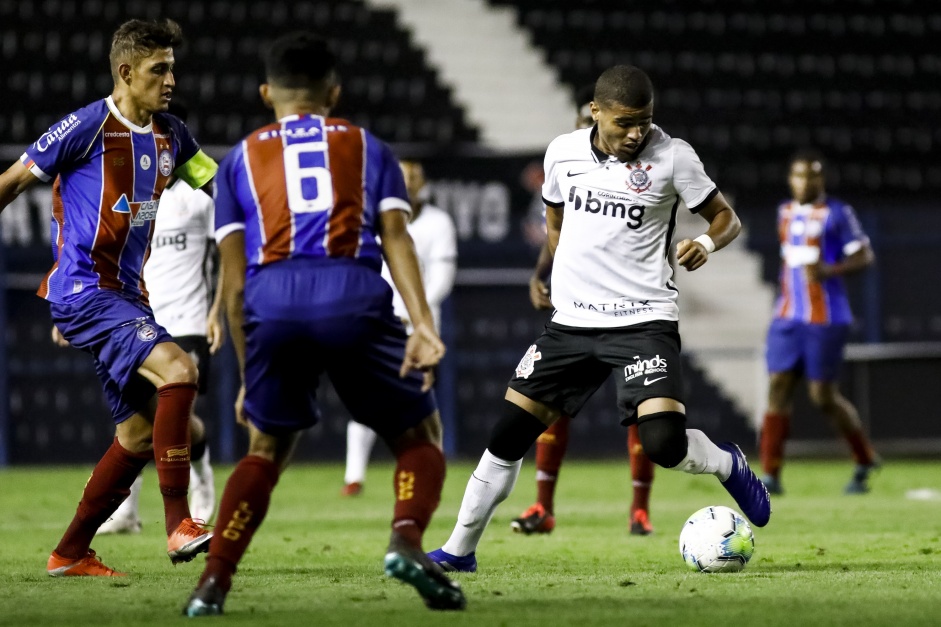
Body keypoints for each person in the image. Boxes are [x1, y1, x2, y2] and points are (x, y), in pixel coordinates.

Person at [427, 64, 771, 574]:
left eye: (645, 122)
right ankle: (458, 552)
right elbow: (554, 220)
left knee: (663, 445)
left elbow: (727, 218)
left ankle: (726, 462)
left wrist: (702, 241)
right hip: (571, 325)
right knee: (506, 436)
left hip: (644, 322)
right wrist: (559, 272)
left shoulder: (674, 157)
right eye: (625, 123)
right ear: (596, 112)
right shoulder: (561, 153)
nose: (636, 133)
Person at [182, 32, 465, 616]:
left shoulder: (237, 160)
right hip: (351, 291)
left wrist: (246, 374)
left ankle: (212, 585)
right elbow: (395, 237)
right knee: (419, 435)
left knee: (265, 449)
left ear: (267, 94)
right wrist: (422, 324)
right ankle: (407, 541)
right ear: (333, 92)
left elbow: (233, 286)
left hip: (271, 300)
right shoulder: (368, 146)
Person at [0, 18, 216, 576]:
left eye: (173, 68)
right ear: (125, 72)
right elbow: (9, 183)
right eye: (158, 69)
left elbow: (217, 185)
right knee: (180, 371)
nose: (171, 79)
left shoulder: (173, 135)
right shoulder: (86, 127)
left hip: (127, 297)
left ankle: (69, 552)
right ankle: (179, 526)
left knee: (147, 433)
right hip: (87, 291)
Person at [512, 85, 657, 537]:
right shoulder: (567, 165)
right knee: (549, 408)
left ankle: (639, 511)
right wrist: (541, 275)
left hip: (632, 311)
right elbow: (557, 231)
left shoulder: (640, 174)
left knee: (641, 411)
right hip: (576, 307)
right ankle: (542, 507)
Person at [93, 99, 222, 533]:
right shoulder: (143, 196)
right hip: (143, 318)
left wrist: (218, 313)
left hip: (189, 320)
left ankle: (199, 481)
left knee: (170, 419)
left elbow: (224, 256)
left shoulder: (200, 199)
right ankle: (128, 511)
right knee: (143, 417)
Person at [759, 150, 880, 496]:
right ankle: (770, 475)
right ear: (790, 179)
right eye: (798, 176)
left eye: (811, 176)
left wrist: (830, 270)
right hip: (786, 316)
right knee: (778, 386)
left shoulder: (839, 214)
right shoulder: (783, 212)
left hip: (825, 317)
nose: (804, 182)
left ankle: (864, 457)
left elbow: (864, 255)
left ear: (821, 180)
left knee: (823, 396)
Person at [342, 158, 458, 497]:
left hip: (418, 326)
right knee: (366, 398)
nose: (407, 185)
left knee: (419, 400)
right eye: (401, 179)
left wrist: (416, 315)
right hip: (377, 321)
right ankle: (354, 477)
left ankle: (428, 468)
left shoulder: (438, 223)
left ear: (423, 185)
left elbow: (442, 279)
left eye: (413, 179)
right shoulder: (370, 219)